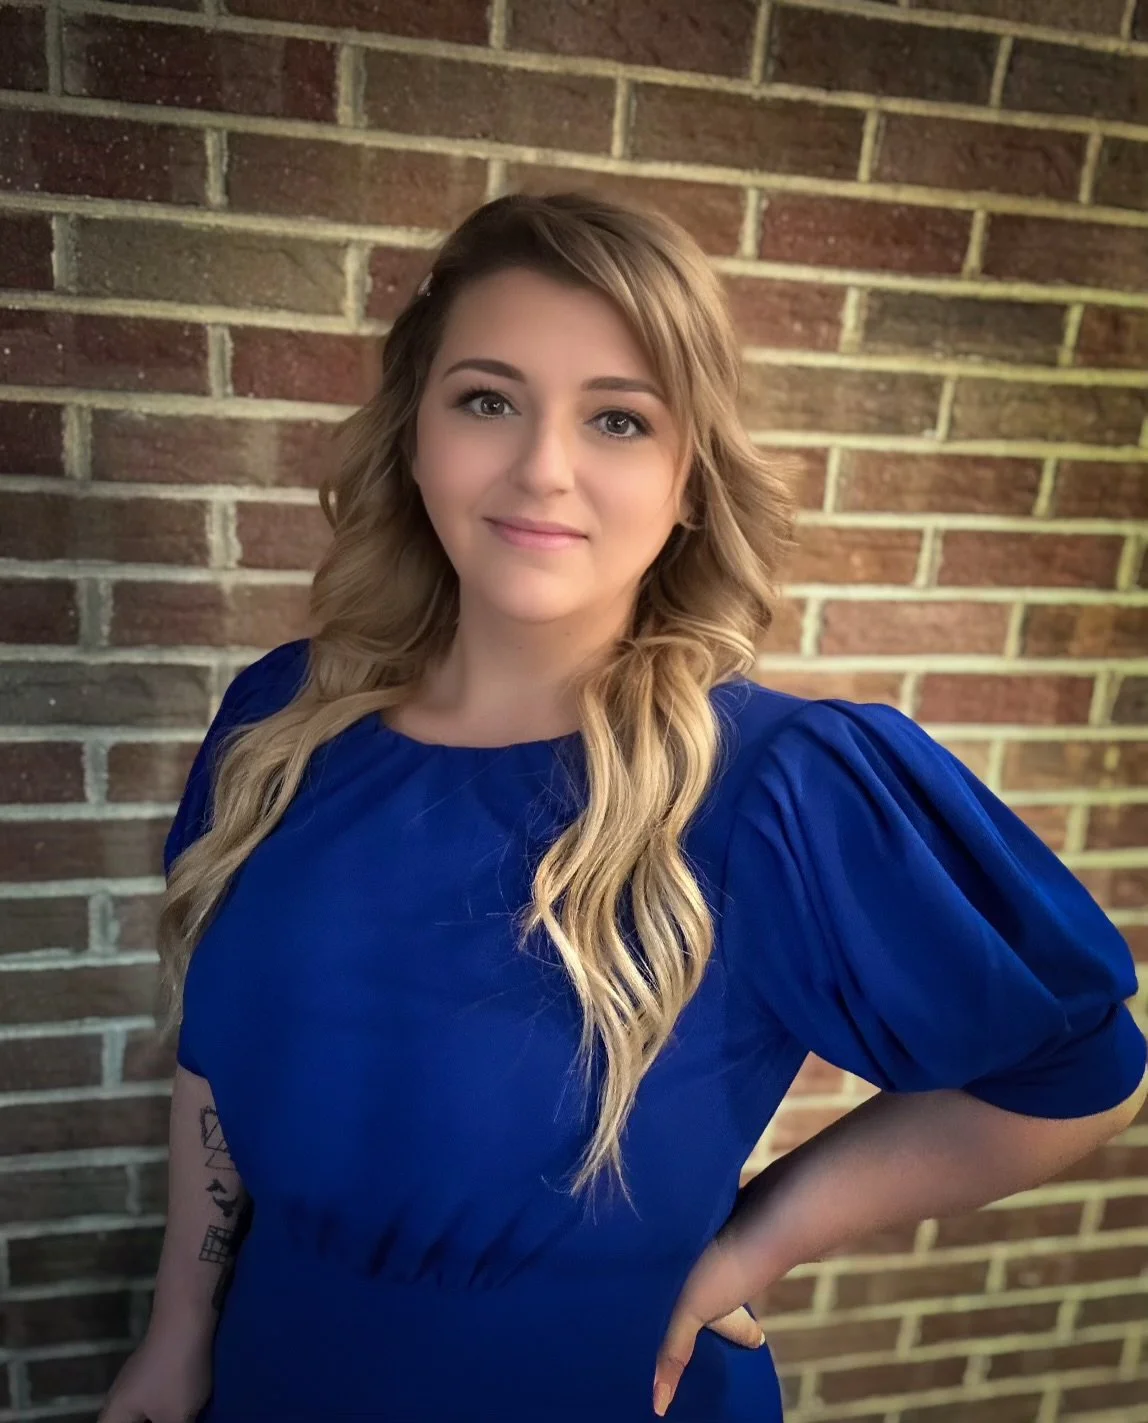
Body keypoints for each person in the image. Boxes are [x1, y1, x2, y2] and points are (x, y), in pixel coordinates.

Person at [98, 191, 1147, 1423]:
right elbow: (217, 1067)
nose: (542, 466)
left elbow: (1077, 1071)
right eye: (486, 400)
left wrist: (756, 1242)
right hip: (280, 1370)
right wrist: (178, 1334)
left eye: (617, 418)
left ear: (689, 479)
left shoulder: (780, 784)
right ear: (416, 437)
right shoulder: (281, 723)